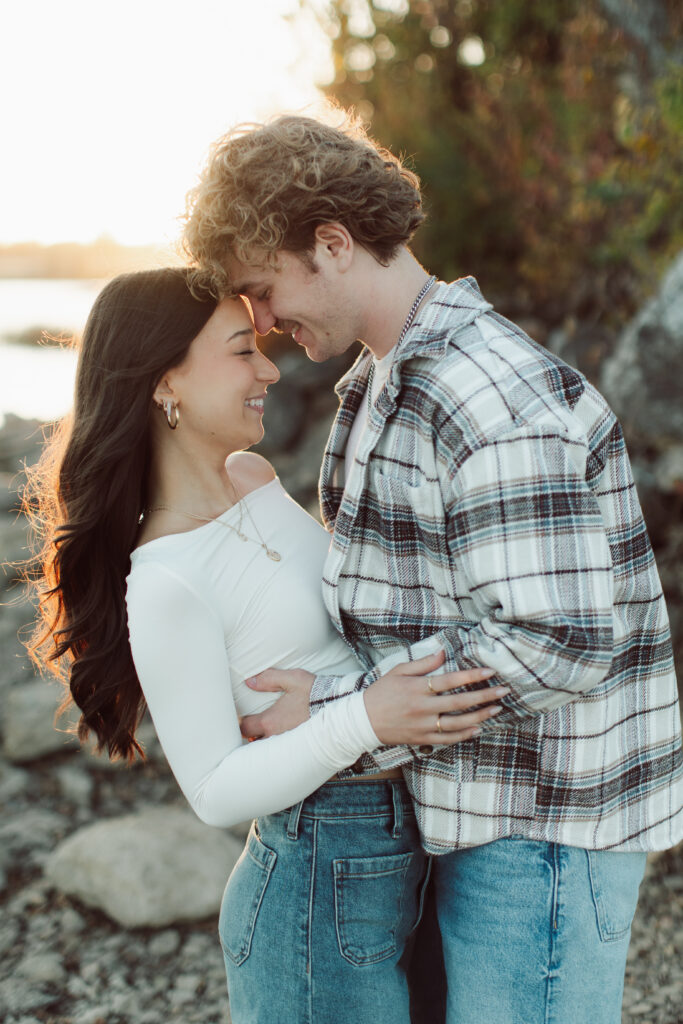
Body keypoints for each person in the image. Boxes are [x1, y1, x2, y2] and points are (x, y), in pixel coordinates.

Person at [182, 113, 683, 1024]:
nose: (258, 322)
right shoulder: (385, 382)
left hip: (542, 832)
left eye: (261, 288)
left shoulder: (486, 393)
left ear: (331, 244)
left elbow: (557, 640)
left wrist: (338, 711)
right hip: (475, 809)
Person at [25, 267, 506, 1024]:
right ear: (164, 385)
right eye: (241, 350)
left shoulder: (252, 476)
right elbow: (214, 789)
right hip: (314, 874)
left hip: (407, 839)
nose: (270, 369)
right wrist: (364, 719)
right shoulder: (165, 578)